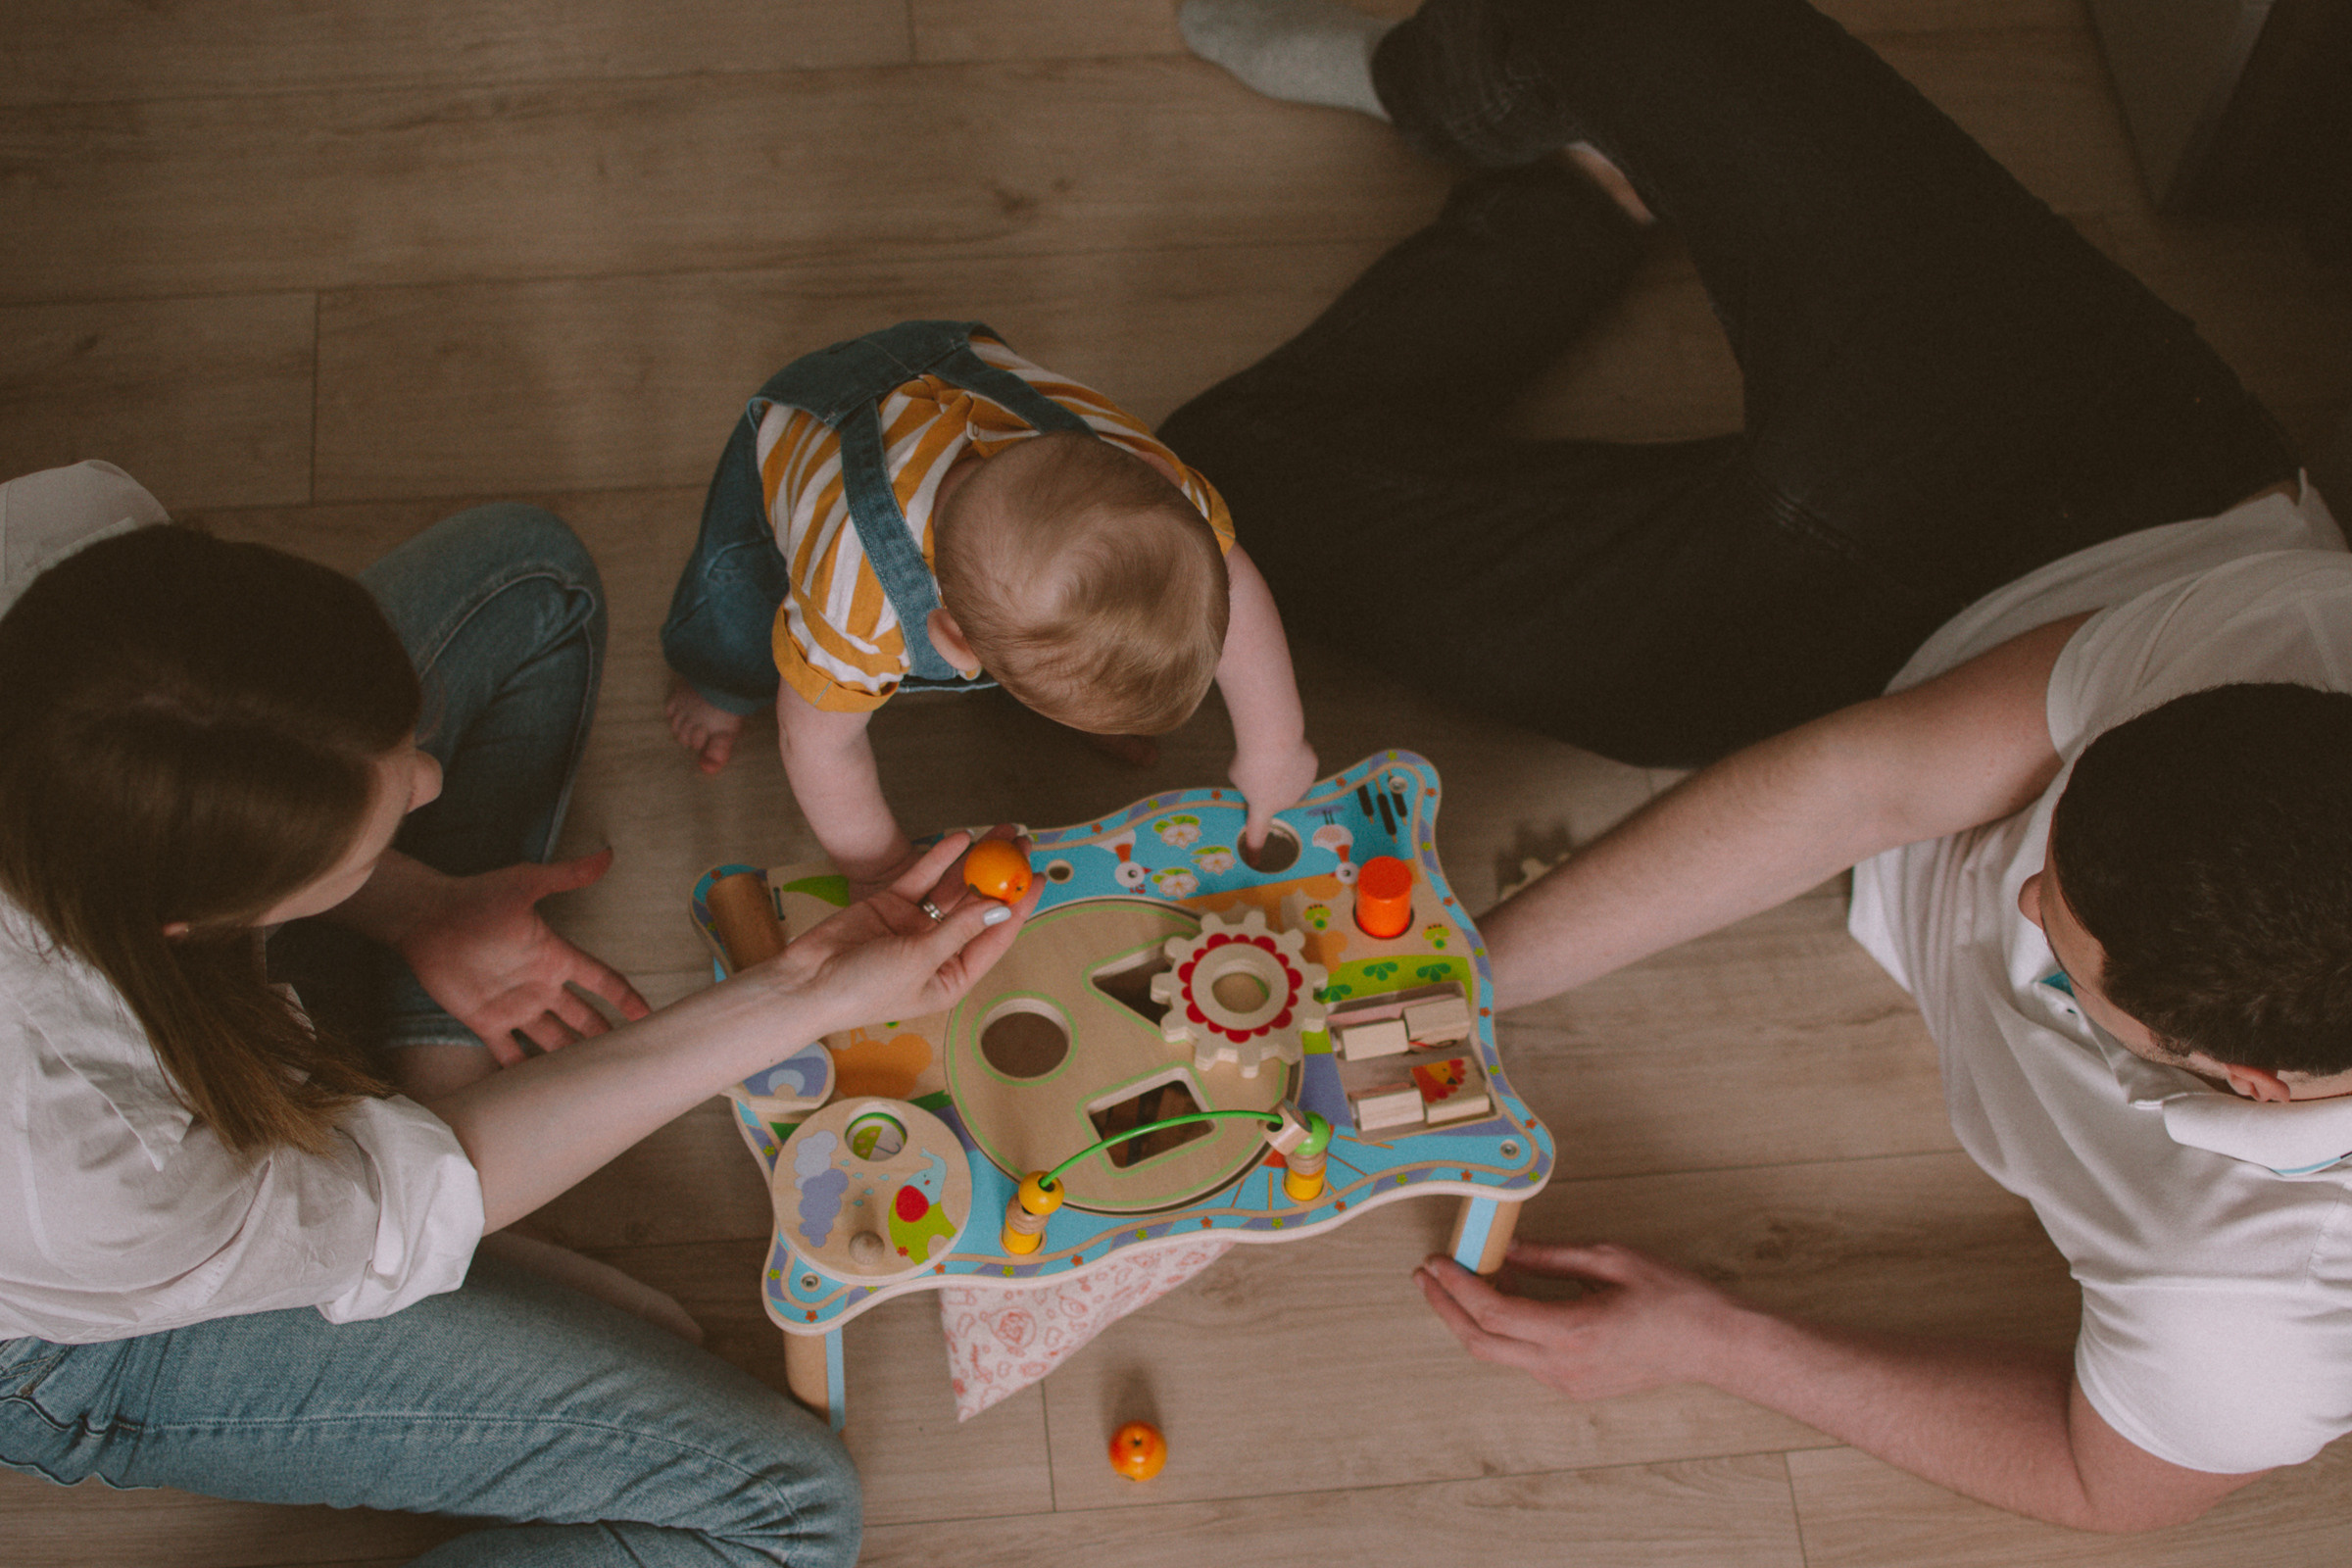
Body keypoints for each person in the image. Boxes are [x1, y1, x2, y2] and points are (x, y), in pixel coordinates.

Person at [1171, 0, 2352, 1536]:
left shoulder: (2258, 1305)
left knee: (1212, 498)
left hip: (1832, 662)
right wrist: (1467, 975)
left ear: (2246, 1082)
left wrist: (1715, 1340)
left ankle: (1585, 196)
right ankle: (1458, 88)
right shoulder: (2305, 652)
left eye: (2057, 937)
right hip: (2093, 457)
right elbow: (1877, 782)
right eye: (2063, 807)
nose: (2024, 861)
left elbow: (2101, 1481)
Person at [0, 462, 1035, 1566]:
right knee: (790, 1513)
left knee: (528, 581)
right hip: (82, 1324)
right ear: (192, 922)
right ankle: (424, 1222)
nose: (432, 786)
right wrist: (802, 991)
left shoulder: (65, 542)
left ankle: (428, 1128)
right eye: (375, 825)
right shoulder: (81, 1168)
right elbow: (393, 1198)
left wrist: (416, 907)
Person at [659, 320, 1319, 890]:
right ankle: (717, 686)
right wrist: (880, 869)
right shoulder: (855, 606)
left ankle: (1060, 678)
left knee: (1048, 622)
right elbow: (814, 744)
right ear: (952, 642)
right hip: (801, 432)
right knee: (735, 605)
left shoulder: (1151, 494)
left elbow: (1231, 581)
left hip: (945, 359)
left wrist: (1274, 744)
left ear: (1158, 468)